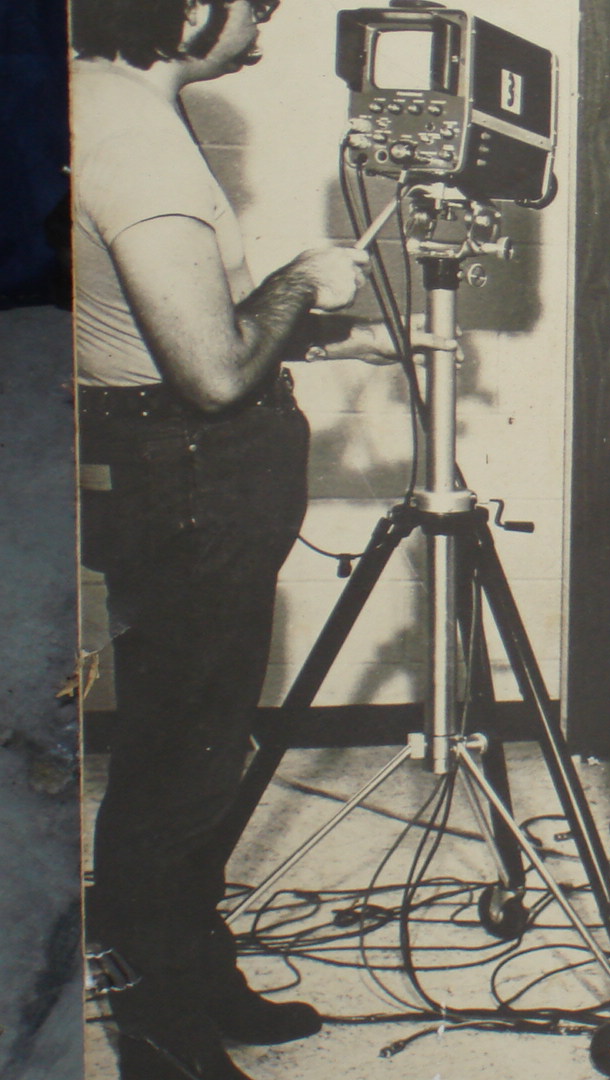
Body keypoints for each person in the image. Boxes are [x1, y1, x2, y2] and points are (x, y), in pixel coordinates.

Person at [70, 2, 439, 1077]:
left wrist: (316, 334)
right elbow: (213, 372)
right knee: (178, 764)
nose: (267, 5)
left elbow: (154, 332)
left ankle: (195, 969)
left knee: (184, 741)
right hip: (190, 480)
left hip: (158, 470)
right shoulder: (137, 136)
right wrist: (298, 282)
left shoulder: (96, 102)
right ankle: (163, 1035)